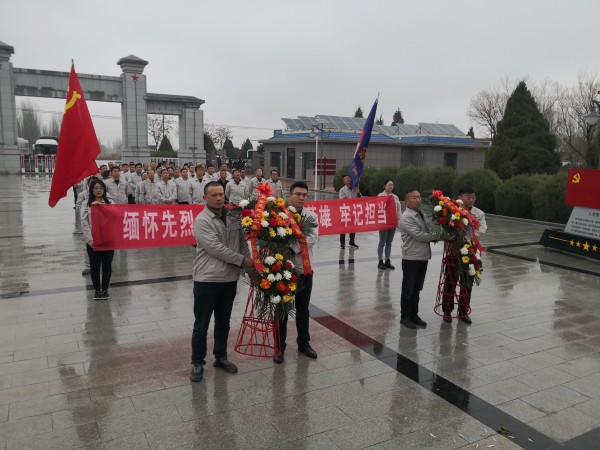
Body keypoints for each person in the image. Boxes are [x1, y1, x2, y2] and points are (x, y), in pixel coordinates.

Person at [190, 182, 253, 382]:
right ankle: (197, 362)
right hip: (207, 279)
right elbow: (215, 248)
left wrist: (249, 264)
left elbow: (242, 241)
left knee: (223, 322)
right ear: (204, 198)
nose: (218, 198)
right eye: (214, 195)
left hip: (229, 279)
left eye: (220, 194)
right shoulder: (202, 220)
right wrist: (242, 261)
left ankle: (221, 356)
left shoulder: (234, 216)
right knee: (201, 324)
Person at [273, 181, 319, 364]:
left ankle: (304, 343)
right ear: (289, 196)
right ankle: (279, 347)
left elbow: (312, 238)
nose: (301, 198)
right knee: (282, 310)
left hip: (304, 269)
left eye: (304, 195)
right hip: (282, 271)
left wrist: (292, 249)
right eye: (297, 194)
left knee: (303, 309)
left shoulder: (311, 216)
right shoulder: (279, 215)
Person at [442, 186, 487, 324]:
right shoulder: (451, 210)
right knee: (450, 282)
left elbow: (482, 229)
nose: (471, 199)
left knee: (467, 283)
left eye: (473, 197)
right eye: (468, 197)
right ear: (460, 197)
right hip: (453, 252)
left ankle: (463, 312)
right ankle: (447, 311)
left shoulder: (479, 213)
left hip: (470, 251)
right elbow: (444, 227)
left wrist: (467, 240)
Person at [399, 188, 438, 329]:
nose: (418, 200)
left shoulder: (421, 213)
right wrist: (438, 236)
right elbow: (419, 235)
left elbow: (428, 228)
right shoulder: (406, 217)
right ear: (407, 201)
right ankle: (405, 317)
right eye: (414, 198)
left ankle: (414, 315)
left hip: (422, 257)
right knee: (408, 289)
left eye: (419, 197)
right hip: (411, 258)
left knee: (417, 289)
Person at [81, 178, 114, 300]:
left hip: (108, 240)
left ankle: (105, 289)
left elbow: (116, 216)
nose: (99, 190)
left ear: (104, 189)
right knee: (95, 267)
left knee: (107, 266)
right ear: (91, 190)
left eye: (101, 188)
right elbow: (84, 222)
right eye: (95, 188)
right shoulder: (86, 203)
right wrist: (89, 239)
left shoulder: (110, 202)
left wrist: (103, 207)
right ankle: (97, 290)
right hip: (93, 241)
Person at [377, 179, 401, 270]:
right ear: (384, 186)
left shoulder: (395, 197)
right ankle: (380, 261)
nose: (391, 186)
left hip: (392, 223)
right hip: (384, 223)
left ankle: (387, 260)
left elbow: (398, 210)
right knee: (382, 242)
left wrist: (399, 221)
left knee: (389, 243)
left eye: (392, 185)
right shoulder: (380, 195)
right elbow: (378, 207)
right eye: (389, 185)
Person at [338, 175, 360, 249]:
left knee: (353, 227)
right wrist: (351, 200)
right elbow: (342, 200)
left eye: (349, 178)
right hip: (345, 211)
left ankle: (352, 242)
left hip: (353, 211)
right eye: (346, 178)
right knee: (343, 228)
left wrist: (358, 193)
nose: (348, 179)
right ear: (344, 182)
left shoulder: (355, 188)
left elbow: (359, 199)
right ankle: (342, 243)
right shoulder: (342, 190)